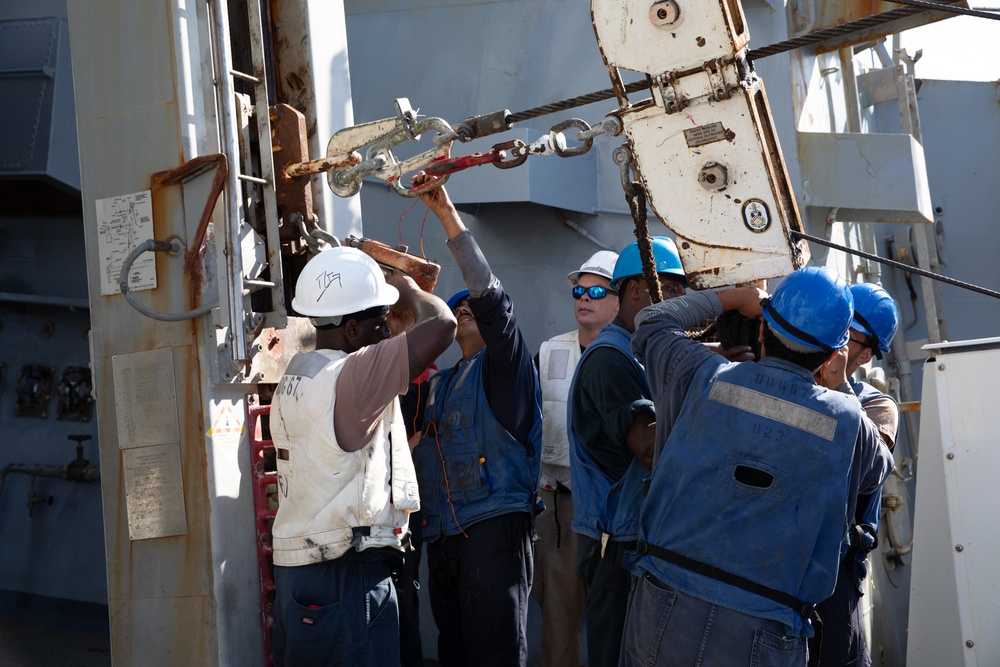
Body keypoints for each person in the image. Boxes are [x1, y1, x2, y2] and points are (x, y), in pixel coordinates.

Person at [620, 266, 895, 667]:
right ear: (835, 354)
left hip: (664, 599)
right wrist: (841, 386)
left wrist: (735, 297)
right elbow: (877, 469)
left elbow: (652, 320)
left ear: (763, 330)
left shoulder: (702, 373)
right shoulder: (849, 420)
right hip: (765, 628)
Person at [269, 246, 456, 667]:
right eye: (380, 323)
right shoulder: (352, 377)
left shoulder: (299, 374)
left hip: (302, 576)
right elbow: (442, 325)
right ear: (352, 331)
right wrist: (405, 287)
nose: (388, 333)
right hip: (346, 576)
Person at [409, 173, 542, 667]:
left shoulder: (505, 367)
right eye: (456, 306)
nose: (465, 309)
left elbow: (490, 300)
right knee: (455, 654)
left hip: (491, 531)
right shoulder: (439, 385)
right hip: (444, 538)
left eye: (471, 307)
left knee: (494, 655)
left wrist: (445, 213)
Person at [567, 237, 687, 667]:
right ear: (635, 289)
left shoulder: (638, 354)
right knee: (615, 654)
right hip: (615, 543)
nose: (679, 300)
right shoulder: (610, 359)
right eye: (670, 289)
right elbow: (650, 448)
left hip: (634, 537)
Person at [533, 249, 619, 667]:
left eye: (597, 290)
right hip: (559, 505)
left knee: (617, 623)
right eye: (579, 291)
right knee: (560, 621)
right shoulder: (548, 352)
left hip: (615, 509)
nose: (584, 297)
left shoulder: (635, 355)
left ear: (620, 299)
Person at [814, 282, 900, 667]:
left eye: (847, 332)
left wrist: (839, 388)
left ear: (865, 353)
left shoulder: (877, 405)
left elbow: (872, 463)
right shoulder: (782, 381)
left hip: (833, 577)